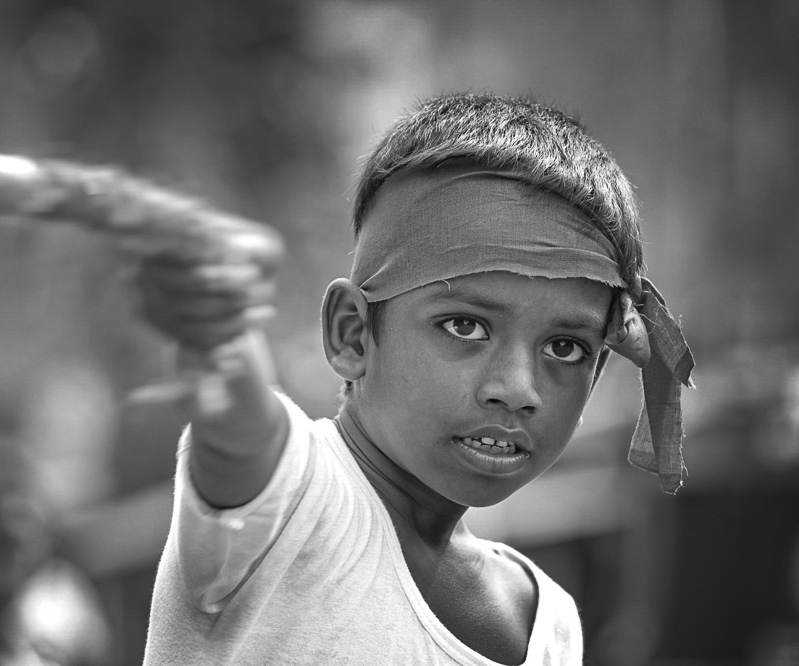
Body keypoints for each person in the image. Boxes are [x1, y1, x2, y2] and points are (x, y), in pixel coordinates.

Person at [135, 93, 695, 665]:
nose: (517, 388)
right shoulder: (289, 503)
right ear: (352, 334)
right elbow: (240, 425)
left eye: (564, 347)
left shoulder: (546, 622)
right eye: (465, 325)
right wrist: (219, 320)